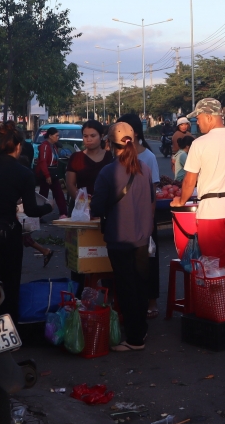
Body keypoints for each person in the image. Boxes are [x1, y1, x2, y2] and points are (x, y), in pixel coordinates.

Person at [172, 98, 225, 315]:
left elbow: (189, 181)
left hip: (211, 211)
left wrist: (180, 200)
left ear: (209, 116)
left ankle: (217, 308)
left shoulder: (199, 144)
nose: (197, 122)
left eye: (198, 118)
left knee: (212, 264)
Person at [0, 121, 53, 321]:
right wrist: (49, 207)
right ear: (18, 146)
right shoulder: (24, 173)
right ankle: (10, 329)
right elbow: (32, 210)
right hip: (8, 235)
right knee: (10, 284)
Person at [90, 122, 156, 351]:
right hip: (141, 236)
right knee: (140, 284)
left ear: (109, 144)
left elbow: (97, 207)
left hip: (119, 237)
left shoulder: (108, 172)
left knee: (126, 287)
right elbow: (150, 199)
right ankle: (141, 329)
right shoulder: (144, 169)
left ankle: (135, 339)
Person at [117, 113, 162, 317]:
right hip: (122, 218)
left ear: (132, 133)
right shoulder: (115, 156)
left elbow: (153, 193)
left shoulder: (148, 157)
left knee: (148, 262)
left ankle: (151, 302)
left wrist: (149, 222)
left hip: (144, 219)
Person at [66, 120, 115, 200]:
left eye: (93, 136)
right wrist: (85, 203)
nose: (88, 139)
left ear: (101, 136)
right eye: (85, 136)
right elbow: (70, 184)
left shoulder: (110, 156)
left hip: (106, 207)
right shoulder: (76, 157)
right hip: (81, 207)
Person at [35, 127, 69, 218]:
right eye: (56, 136)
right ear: (50, 136)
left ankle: (63, 213)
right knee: (44, 194)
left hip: (52, 172)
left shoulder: (53, 146)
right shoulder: (45, 146)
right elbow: (43, 161)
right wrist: (47, 175)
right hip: (47, 173)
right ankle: (39, 214)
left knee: (57, 193)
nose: (58, 137)